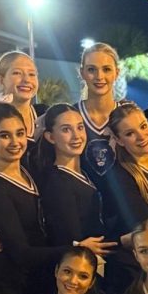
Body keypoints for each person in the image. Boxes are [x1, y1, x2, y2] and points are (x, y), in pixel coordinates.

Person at [0, 103, 97, 294]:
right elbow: (21, 253)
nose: (15, 142)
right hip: (15, 289)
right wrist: (77, 248)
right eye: (4, 136)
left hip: (42, 278)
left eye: (20, 133)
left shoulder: (28, 166)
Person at [34, 103, 112, 257]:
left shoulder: (84, 172)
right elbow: (67, 239)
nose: (76, 136)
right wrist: (80, 246)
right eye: (66, 130)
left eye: (80, 127)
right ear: (50, 137)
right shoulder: (57, 182)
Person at [0, 51, 46, 168]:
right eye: (17, 73)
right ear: (1, 80)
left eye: (32, 74)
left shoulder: (45, 114)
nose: (26, 80)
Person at [76, 42, 120, 183]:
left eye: (106, 69)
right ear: (82, 73)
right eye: (91, 70)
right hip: (82, 201)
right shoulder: (70, 116)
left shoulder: (129, 117)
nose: (99, 76)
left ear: (116, 73)